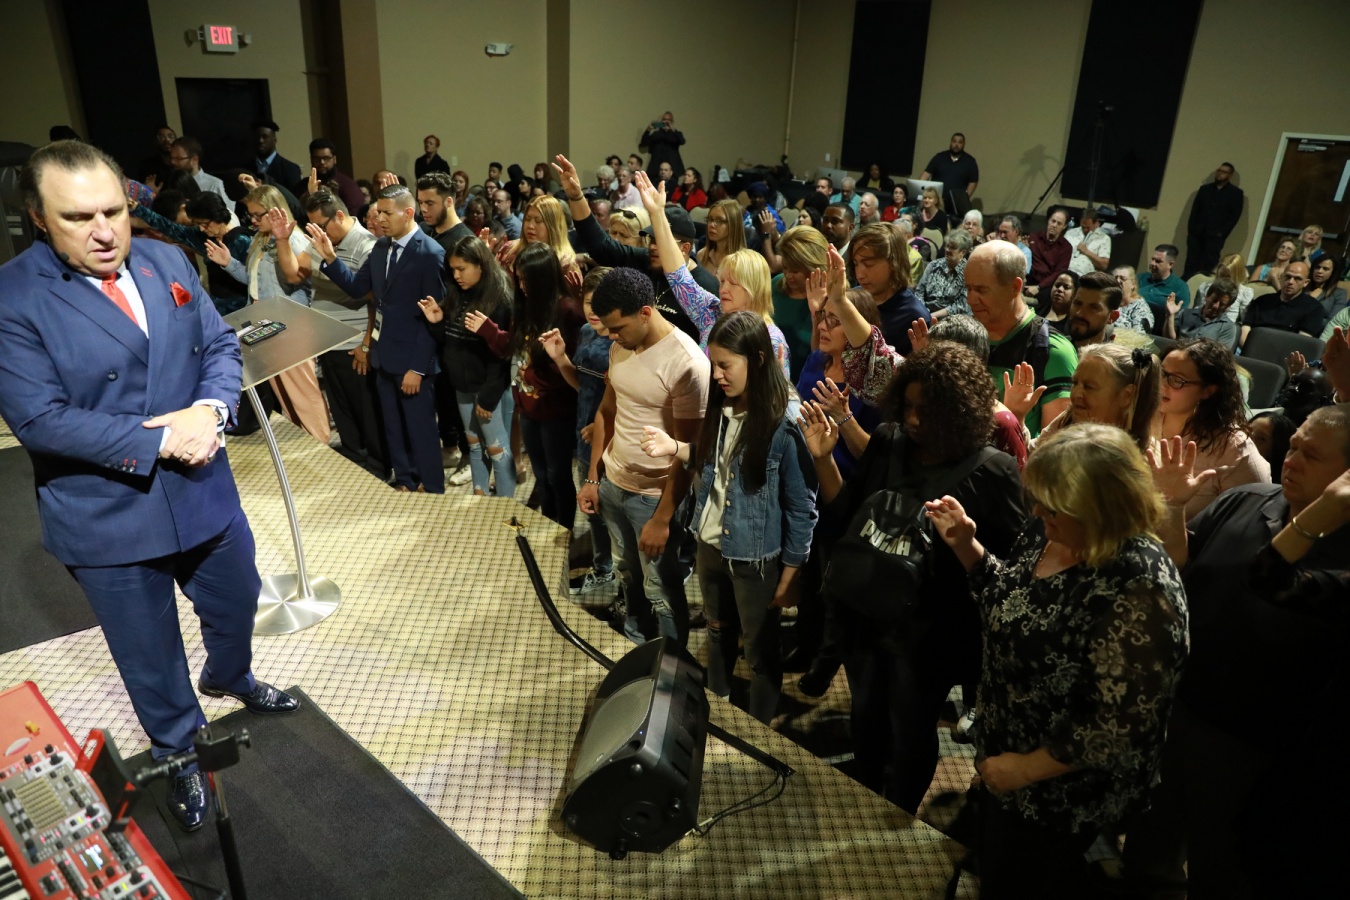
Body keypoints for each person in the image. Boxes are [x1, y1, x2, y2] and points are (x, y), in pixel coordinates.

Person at [0, 140, 300, 832]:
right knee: (151, 657)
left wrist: (210, 410)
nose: (105, 231)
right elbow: (40, 420)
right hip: (106, 512)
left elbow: (219, 345)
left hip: (202, 486)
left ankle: (230, 674)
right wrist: (163, 437)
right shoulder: (13, 296)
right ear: (39, 217)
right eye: (79, 218)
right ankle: (179, 751)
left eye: (113, 211)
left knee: (238, 599)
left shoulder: (166, 260)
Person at [1128, 405, 1350, 900]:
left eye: (1312, 455)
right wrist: (1172, 507)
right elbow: (1178, 565)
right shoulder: (1247, 500)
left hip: (1258, 745)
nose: (1291, 459)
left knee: (1223, 869)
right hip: (1181, 707)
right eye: (1294, 446)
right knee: (1148, 847)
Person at [803, 340, 1026, 812]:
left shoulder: (994, 470)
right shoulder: (889, 441)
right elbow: (847, 516)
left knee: (911, 729)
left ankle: (899, 816)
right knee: (866, 716)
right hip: (867, 613)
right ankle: (865, 799)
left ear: (960, 411)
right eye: (907, 406)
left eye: (928, 411)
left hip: (931, 632)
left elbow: (1009, 569)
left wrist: (964, 541)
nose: (914, 420)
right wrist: (824, 459)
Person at [642, 312, 816, 723]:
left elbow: (802, 507)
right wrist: (676, 448)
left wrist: (792, 573)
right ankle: (716, 711)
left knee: (759, 653)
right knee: (717, 632)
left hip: (755, 560)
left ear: (757, 359)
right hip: (710, 546)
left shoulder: (786, 421)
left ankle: (757, 732)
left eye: (725, 365)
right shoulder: (721, 406)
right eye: (713, 364)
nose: (717, 375)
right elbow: (714, 465)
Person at [579, 268, 708, 644]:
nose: (611, 337)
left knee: (662, 590)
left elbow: (688, 453)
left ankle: (671, 661)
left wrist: (663, 518)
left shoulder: (687, 364)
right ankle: (635, 640)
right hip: (613, 485)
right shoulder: (621, 345)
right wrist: (593, 478)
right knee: (627, 574)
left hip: (653, 499)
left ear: (646, 313)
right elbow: (607, 412)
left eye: (617, 328)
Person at [308, 183, 447, 492]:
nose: (379, 219)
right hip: (383, 357)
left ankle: (433, 489)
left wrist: (418, 368)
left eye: (386, 213)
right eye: (378, 212)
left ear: (408, 213)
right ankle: (406, 481)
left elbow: (434, 319)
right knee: (393, 427)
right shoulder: (381, 247)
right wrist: (331, 259)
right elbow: (358, 289)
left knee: (421, 431)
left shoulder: (430, 253)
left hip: (413, 363)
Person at [214, 186, 330, 443]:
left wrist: (282, 241)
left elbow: (298, 281)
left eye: (258, 215)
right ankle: (307, 440)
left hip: (289, 325)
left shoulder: (293, 240)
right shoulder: (261, 240)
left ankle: (320, 440)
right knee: (283, 391)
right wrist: (229, 263)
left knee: (301, 390)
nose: (253, 221)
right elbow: (256, 281)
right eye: (251, 215)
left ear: (275, 211)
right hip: (265, 323)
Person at [477, 243, 582, 527]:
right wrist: (489, 330)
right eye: (519, 279)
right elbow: (513, 347)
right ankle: (548, 523)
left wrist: (539, 373)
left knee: (558, 475)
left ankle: (564, 531)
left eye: (527, 280)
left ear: (543, 278)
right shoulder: (524, 307)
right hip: (528, 406)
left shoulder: (567, 310)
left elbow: (574, 369)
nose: (522, 287)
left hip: (556, 410)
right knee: (542, 474)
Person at [301, 190, 384, 475]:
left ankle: (377, 465)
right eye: (313, 228)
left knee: (366, 411)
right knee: (342, 407)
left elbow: (372, 298)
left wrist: (366, 343)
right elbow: (295, 271)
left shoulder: (366, 244)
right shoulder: (325, 241)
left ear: (339, 215)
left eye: (322, 226)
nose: (319, 233)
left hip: (355, 340)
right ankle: (353, 454)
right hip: (328, 339)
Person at [966, 241, 1076, 436]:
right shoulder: (964, 336)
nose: (971, 299)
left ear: (1015, 287)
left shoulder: (1053, 351)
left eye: (982, 290)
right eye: (968, 288)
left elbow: (1054, 445)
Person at [1155, 339, 1271, 518]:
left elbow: (1250, 517)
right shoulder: (1143, 414)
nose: (1162, 384)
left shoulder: (1234, 450)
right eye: (1161, 373)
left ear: (1207, 391)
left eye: (1177, 380)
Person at [567, 268, 617, 595]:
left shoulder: (621, 340)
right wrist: (560, 358)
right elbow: (580, 383)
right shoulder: (586, 332)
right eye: (588, 302)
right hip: (583, 436)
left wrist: (601, 425)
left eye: (600, 303)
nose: (593, 311)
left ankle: (621, 577)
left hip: (612, 442)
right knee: (593, 511)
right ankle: (603, 568)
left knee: (614, 515)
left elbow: (629, 397)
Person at [129, 191, 250, 316]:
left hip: (243, 308)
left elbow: (253, 279)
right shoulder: (202, 237)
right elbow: (166, 226)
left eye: (204, 224)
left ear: (217, 217)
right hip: (217, 307)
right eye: (198, 224)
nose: (201, 228)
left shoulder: (241, 241)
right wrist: (136, 207)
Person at [1034, 344, 1161, 456]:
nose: (1076, 394)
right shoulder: (1067, 419)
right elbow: (1033, 455)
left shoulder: (1145, 460)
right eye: (1075, 383)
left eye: (1089, 387)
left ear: (1126, 395)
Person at [758, 224, 829, 380]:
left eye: (795, 271)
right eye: (785, 268)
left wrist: (816, 313)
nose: (788, 276)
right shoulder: (775, 285)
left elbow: (822, 357)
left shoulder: (832, 298)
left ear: (814, 266)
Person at [848, 223, 930, 355]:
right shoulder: (854, 299)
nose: (859, 274)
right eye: (856, 264)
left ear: (893, 263)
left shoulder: (914, 317)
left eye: (868, 264)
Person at [1240, 260, 1326, 347]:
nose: (1290, 282)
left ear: (1305, 283)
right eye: (1287, 277)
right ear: (1281, 278)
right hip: (1252, 348)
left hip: (1285, 352)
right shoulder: (1261, 301)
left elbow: (1302, 342)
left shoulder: (1314, 308)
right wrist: (1250, 349)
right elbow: (1245, 329)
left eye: (1297, 279)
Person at [1183, 162, 1244, 278]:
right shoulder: (1204, 189)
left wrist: (1221, 233)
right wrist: (1192, 229)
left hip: (1215, 237)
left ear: (1230, 175)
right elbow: (1195, 210)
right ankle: (1186, 283)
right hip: (1197, 234)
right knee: (1191, 263)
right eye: (1219, 171)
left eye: (1224, 172)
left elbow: (1234, 217)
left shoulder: (1235, 193)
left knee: (1208, 265)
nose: (1220, 174)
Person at [1163, 277, 1239, 350]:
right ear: (1207, 296)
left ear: (1228, 306)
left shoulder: (1228, 328)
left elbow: (1218, 356)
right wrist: (1170, 315)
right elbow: (1168, 340)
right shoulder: (1185, 314)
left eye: (1222, 304)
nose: (1215, 306)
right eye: (1214, 300)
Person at [914, 229, 972, 318]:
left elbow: (961, 306)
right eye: (947, 246)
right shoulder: (933, 265)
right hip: (925, 313)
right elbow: (919, 292)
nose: (947, 250)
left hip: (952, 319)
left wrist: (932, 316)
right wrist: (923, 312)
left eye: (952, 248)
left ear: (963, 252)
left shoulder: (968, 272)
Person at [306, 138, 366, 213]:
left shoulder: (348, 186)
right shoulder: (302, 186)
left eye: (326, 158)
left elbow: (354, 215)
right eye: (317, 158)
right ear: (311, 159)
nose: (322, 162)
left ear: (334, 159)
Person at [1067, 269, 1122, 349]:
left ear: (1112, 317)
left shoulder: (1118, 357)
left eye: (1093, 307)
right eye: (1077, 303)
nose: (1079, 313)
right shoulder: (1051, 349)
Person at [168, 137, 230, 206]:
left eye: (178, 158)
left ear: (194, 159)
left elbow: (228, 211)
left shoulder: (215, 185)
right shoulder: (170, 183)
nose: (173, 162)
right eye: (171, 158)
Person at [1194, 253, 1253, 324]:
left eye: (1228, 277)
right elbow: (1196, 312)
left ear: (1237, 276)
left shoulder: (1245, 293)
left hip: (1226, 327)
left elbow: (1245, 321)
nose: (1223, 280)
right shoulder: (1205, 287)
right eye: (1221, 275)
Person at [1025, 209, 1071, 299]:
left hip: (1047, 285)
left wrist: (1039, 287)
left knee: (1047, 295)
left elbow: (1059, 272)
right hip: (1028, 279)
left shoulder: (1066, 247)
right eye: (1053, 221)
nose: (1054, 225)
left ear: (1064, 226)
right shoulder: (1033, 238)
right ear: (1048, 220)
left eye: (1059, 223)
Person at [1138, 244, 1190, 321]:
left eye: (1158, 261)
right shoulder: (1139, 278)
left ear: (1170, 264)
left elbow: (1181, 317)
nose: (1152, 263)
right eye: (1153, 259)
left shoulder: (1180, 287)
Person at [920, 132, 979, 197]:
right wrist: (922, 193)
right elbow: (925, 175)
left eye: (960, 142)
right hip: (937, 199)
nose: (956, 144)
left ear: (963, 144)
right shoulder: (939, 157)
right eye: (954, 141)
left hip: (957, 200)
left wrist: (964, 198)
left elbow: (973, 183)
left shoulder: (970, 162)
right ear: (951, 143)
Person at [697, 198, 748, 274]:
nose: (711, 225)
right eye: (710, 219)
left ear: (733, 225)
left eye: (719, 221)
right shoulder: (702, 255)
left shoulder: (745, 262)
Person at [639, 111, 685, 182]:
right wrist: (648, 129)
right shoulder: (656, 134)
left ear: (672, 122)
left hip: (672, 171)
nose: (666, 122)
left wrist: (673, 129)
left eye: (668, 120)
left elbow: (682, 141)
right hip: (655, 171)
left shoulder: (675, 134)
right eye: (664, 119)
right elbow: (643, 143)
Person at [1063, 208, 1111, 275]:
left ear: (1096, 223)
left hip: (1083, 275)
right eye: (1083, 227)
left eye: (1088, 227)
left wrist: (1086, 251)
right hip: (1063, 270)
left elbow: (1104, 265)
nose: (1085, 230)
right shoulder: (1070, 233)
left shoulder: (1104, 239)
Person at [1306, 249, 1347, 322]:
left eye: (1325, 269)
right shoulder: (1303, 287)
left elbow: (1333, 322)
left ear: (1333, 273)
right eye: (1317, 267)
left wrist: (1307, 321)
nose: (1319, 271)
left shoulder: (1339, 294)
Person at [1112, 265, 1156, 334]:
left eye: (1123, 278)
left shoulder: (1140, 308)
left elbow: (1140, 336)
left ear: (1133, 284)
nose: (1118, 281)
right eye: (1115, 278)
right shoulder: (1108, 301)